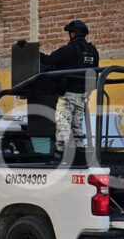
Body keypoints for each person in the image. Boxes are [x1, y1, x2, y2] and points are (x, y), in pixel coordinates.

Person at [40, 20, 100, 156]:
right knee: (77, 127)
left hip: (67, 95)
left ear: (73, 34)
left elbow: (50, 60)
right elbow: (95, 73)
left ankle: (62, 154)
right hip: (82, 96)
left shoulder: (71, 49)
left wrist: (32, 53)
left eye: (70, 32)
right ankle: (78, 153)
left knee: (63, 124)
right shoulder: (92, 51)